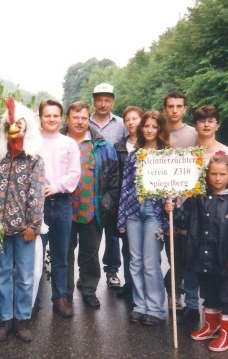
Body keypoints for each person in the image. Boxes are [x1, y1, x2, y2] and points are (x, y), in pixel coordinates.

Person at [165, 154, 228, 352]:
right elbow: (183, 220)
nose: (217, 178)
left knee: (226, 297)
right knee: (209, 294)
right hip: (203, 258)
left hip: (226, 261)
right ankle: (212, 326)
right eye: (213, 174)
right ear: (207, 175)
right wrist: (172, 210)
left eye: (222, 174)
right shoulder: (197, 199)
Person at [0, 98, 45, 342]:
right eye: (10, 126)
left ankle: (22, 319)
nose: (14, 131)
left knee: (24, 275)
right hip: (0, 229)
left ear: (27, 129)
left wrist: (33, 226)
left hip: (25, 228)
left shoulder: (34, 160)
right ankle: (5, 319)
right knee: (1, 274)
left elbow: (37, 194)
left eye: (20, 126)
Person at [62, 101, 119, 309]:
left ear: (89, 119)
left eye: (84, 118)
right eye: (75, 118)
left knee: (90, 254)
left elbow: (114, 179)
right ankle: (64, 295)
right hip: (63, 210)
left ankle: (88, 290)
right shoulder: (59, 142)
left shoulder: (102, 146)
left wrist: (105, 205)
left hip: (92, 210)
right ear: (67, 119)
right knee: (64, 255)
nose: (79, 122)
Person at [117, 110, 170, 325]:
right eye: (146, 126)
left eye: (154, 127)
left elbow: (174, 188)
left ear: (160, 129)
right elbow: (125, 187)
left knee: (150, 263)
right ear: (141, 129)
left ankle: (155, 308)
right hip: (132, 211)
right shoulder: (134, 154)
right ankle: (140, 305)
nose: (149, 130)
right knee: (135, 261)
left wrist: (171, 204)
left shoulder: (167, 154)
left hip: (154, 213)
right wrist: (121, 218)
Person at [36, 99, 80, 318]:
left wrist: (56, 187)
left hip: (61, 202)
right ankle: (33, 299)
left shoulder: (69, 143)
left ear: (61, 118)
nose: (51, 119)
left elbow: (74, 173)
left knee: (61, 254)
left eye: (55, 116)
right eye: (47, 115)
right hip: (37, 205)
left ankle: (60, 298)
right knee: (35, 254)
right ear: (40, 118)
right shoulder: (33, 142)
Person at [162, 90, 198, 319]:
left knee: (188, 254)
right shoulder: (160, 132)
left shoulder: (194, 134)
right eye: (170, 106)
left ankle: (184, 292)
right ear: (165, 109)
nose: (174, 110)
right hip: (166, 205)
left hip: (190, 203)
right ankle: (174, 291)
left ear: (185, 109)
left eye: (179, 106)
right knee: (172, 252)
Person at [90, 83, 128, 289]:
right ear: (94, 100)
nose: (103, 104)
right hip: (90, 184)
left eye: (107, 100)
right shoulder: (84, 121)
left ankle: (112, 270)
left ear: (112, 101)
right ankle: (87, 272)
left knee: (112, 233)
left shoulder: (121, 124)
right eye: (99, 99)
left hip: (113, 183)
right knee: (90, 233)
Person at [113, 106, 143, 302]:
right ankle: (130, 285)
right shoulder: (119, 147)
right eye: (128, 120)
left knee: (148, 251)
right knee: (128, 248)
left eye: (135, 119)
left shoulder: (151, 145)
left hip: (148, 202)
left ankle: (144, 289)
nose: (131, 122)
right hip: (125, 202)